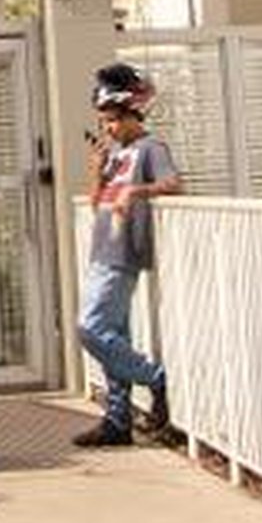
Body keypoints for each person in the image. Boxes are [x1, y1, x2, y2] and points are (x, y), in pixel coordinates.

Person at [72, 63, 181, 447]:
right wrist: (98, 169)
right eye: (103, 122)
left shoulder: (151, 148)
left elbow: (173, 184)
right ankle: (118, 420)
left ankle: (156, 378)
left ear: (134, 112)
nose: (108, 129)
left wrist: (136, 193)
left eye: (113, 120)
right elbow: (96, 200)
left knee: (90, 328)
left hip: (123, 253)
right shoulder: (116, 152)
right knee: (112, 334)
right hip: (102, 249)